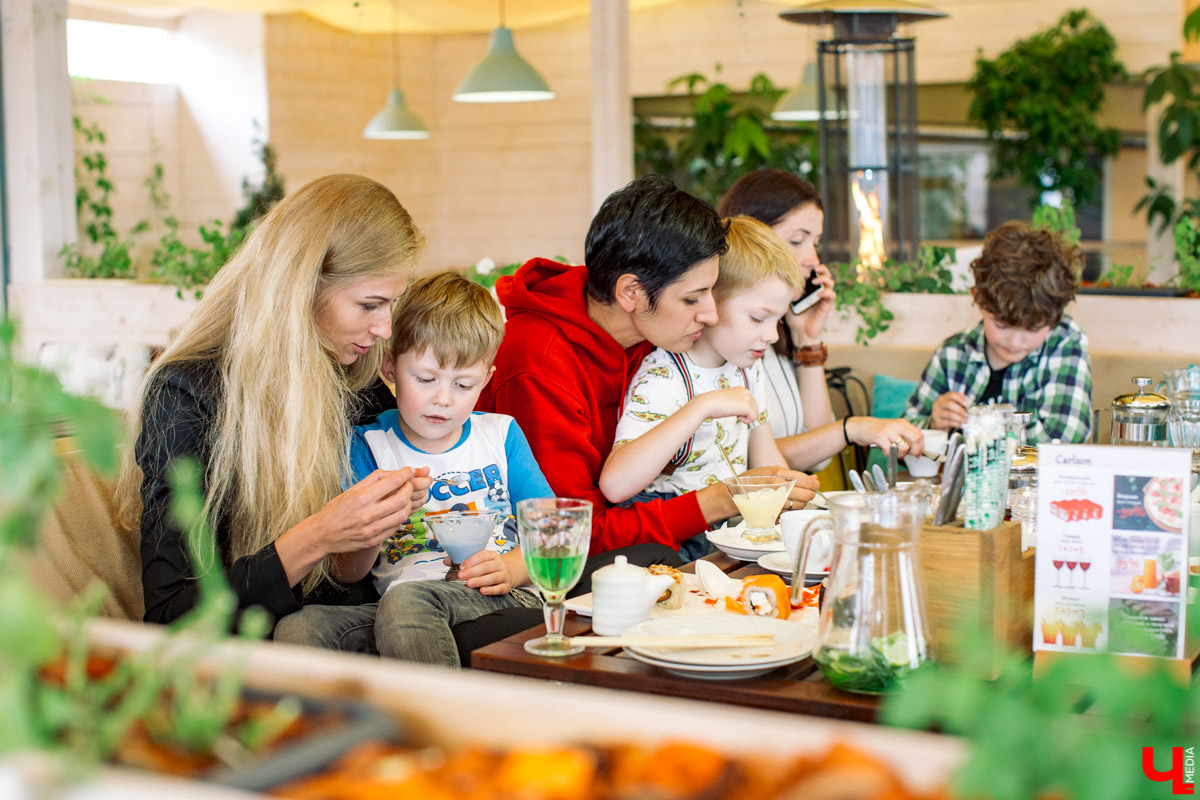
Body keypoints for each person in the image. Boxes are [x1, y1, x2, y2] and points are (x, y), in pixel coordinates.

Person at [118, 173, 432, 634]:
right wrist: (318, 536)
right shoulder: (185, 393)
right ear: (301, 288)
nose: (385, 328)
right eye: (369, 305)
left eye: (392, 303)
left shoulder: (352, 378)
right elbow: (172, 616)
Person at [477, 174, 818, 556]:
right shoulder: (538, 363)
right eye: (692, 298)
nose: (710, 314)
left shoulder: (652, 336)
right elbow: (567, 536)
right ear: (630, 293)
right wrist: (721, 500)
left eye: (712, 290)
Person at [341, 272, 549, 667]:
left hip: (496, 594)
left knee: (407, 603)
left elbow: (553, 535)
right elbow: (350, 572)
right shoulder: (368, 445)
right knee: (301, 628)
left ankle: (439, 724)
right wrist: (382, 518)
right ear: (389, 366)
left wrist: (511, 567)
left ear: (486, 380)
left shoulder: (500, 435)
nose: (442, 399)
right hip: (397, 609)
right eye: (424, 378)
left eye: (463, 385)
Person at [600, 216, 805, 554]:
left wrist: (789, 497)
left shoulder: (747, 367)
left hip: (727, 527)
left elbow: (766, 456)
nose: (772, 335)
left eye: (778, 320)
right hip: (671, 538)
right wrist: (703, 406)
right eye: (758, 318)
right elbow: (615, 484)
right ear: (709, 302)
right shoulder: (664, 377)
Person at [718, 168, 924, 470]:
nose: (812, 259)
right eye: (798, 240)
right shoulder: (727, 341)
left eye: (815, 242)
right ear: (753, 239)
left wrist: (807, 337)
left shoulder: (778, 332)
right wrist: (849, 428)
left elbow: (819, 456)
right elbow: (751, 460)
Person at [903, 220, 1092, 443]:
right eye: (1002, 325)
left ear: (1054, 317)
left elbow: (1064, 436)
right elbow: (902, 442)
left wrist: (973, 436)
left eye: (1032, 329)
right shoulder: (952, 354)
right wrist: (934, 425)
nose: (1014, 341)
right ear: (978, 298)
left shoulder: (1065, 343)